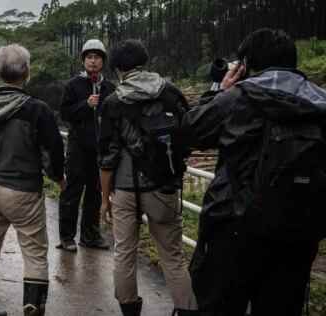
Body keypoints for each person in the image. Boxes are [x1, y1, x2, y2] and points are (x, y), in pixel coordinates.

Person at [184, 28, 326, 316]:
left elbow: (190, 130)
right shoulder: (320, 101)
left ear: (246, 64)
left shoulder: (238, 97)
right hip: (299, 230)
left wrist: (218, 90)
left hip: (234, 228)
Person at [97, 39, 198, 316]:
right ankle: (186, 309)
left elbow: (106, 157)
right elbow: (187, 137)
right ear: (145, 61)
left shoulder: (113, 102)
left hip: (124, 188)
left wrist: (104, 199)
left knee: (125, 253)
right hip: (162, 186)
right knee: (173, 256)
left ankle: (130, 311)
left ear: (117, 68)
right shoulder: (171, 94)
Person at [0, 44, 65, 316]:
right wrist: (58, 177)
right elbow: (54, 151)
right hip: (24, 191)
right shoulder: (37, 109)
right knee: (34, 254)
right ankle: (32, 307)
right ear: (27, 72)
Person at [57, 39, 115, 251]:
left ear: (103, 61)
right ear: (83, 60)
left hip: (100, 150)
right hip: (78, 148)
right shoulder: (73, 85)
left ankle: (90, 236)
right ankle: (66, 237)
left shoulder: (109, 87)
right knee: (72, 192)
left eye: (97, 57)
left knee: (95, 193)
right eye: (89, 57)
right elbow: (64, 114)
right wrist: (85, 104)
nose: (93, 61)